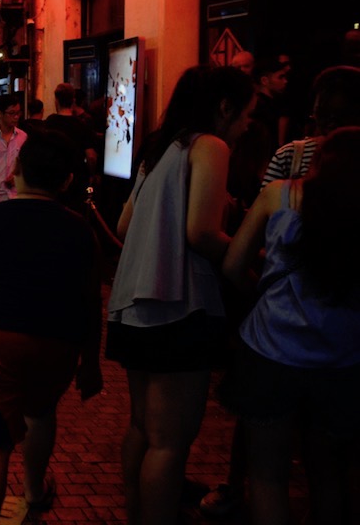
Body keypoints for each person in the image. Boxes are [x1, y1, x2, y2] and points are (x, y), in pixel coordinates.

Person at [105, 65, 255, 525]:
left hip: (133, 306)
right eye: (247, 113)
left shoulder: (158, 149)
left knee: (142, 429)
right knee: (170, 441)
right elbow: (201, 232)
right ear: (225, 107)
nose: (249, 124)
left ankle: (137, 514)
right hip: (179, 304)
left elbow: (124, 226)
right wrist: (252, 251)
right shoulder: (209, 146)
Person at [0, 129, 102, 524]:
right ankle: (34, 489)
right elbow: (90, 301)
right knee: (40, 412)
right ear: (68, 181)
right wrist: (90, 363)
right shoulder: (81, 231)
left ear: (15, 170)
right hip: (57, 343)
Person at [218, 127, 360, 525]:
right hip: (342, 359)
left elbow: (232, 265)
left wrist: (262, 293)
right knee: (328, 473)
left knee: (267, 475)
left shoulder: (280, 194)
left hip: (271, 350)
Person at [45, 83, 97, 210]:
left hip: (53, 178)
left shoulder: (49, 122)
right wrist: (92, 174)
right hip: (76, 179)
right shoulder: (81, 124)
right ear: (73, 101)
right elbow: (91, 156)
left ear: (56, 100)